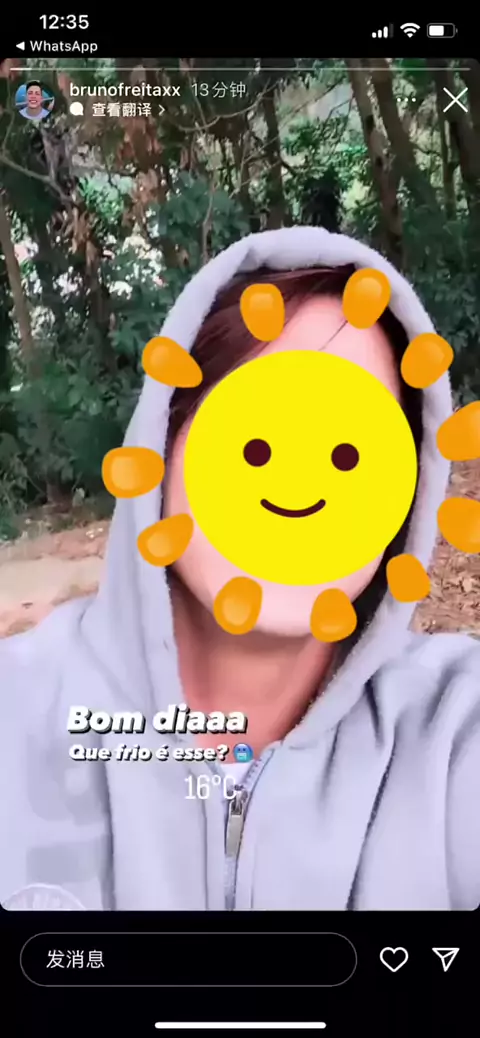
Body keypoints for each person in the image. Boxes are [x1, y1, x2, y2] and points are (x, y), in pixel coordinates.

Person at [1, 226, 479, 912]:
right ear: (160, 452)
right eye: (255, 443)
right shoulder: (16, 715)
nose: (300, 485)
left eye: (350, 454)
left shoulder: (452, 733)